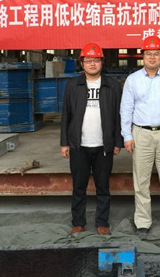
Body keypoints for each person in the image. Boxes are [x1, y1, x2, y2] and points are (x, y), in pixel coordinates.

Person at [120, 36, 160, 237]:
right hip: (141, 134)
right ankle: (142, 222)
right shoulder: (133, 80)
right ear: (143, 56)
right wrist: (127, 135)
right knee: (141, 182)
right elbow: (126, 109)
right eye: (148, 53)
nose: (152, 57)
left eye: (156, 54)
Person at [61, 42, 123, 236]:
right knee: (78, 186)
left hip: (104, 145)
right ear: (82, 63)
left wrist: (117, 142)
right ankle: (78, 222)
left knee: (103, 186)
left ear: (102, 62)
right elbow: (66, 115)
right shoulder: (73, 85)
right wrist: (64, 142)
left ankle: (102, 222)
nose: (92, 64)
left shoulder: (112, 86)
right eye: (88, 60)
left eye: (96, 60)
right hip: (79, 145)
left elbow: (118, 116)